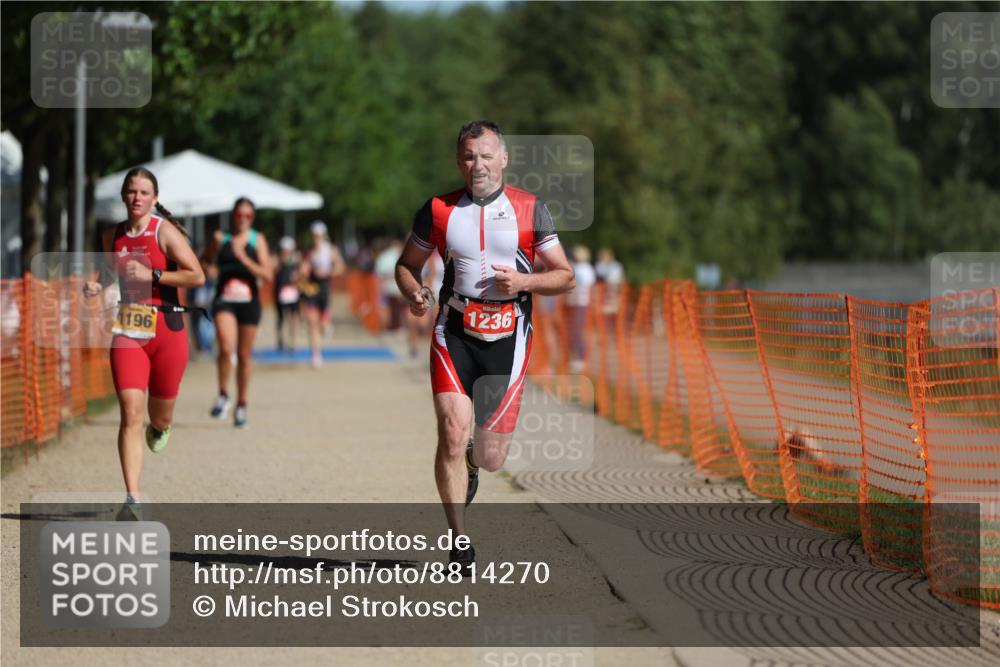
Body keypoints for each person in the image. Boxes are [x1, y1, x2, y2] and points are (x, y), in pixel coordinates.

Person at [395, 120, 575, 574]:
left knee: (493, 457)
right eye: (469, 156)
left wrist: (525, 281)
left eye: (487, 155)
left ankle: (474, 461)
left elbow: (564, 275)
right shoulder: (438, 210)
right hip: (453, 332)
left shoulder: (531, 209)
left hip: (509, 337)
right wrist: (414, 292)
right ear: (459, 161)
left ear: (504, 159)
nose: (478, 164)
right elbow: (406, 265)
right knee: (452, 431)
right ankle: (459, 544)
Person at [83, 167, 205, 520]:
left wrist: (154, 274)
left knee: (157, 415)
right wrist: (97, 284)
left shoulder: (163, 232)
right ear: (124, 196)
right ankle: (133, 498)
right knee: (129, 414)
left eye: (144, 192)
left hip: (167, 330)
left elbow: (197, 275)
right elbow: (110, 270)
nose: (137, 198)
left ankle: (162, 427)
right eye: (132, 191)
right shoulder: (112, 235)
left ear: (154, 198)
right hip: (128, 332)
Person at [202, 198, 273, 428]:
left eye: (248, 216)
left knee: (244, 355)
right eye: (239, 215)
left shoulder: (257, 240)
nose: (243, 220)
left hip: (249, 302)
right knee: (225, 346)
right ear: (233, 216)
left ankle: (242, 404)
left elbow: (267, 274)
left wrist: (243, 257)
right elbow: (203, 262)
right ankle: (223, 393)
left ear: (252, 219)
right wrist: (210, 265)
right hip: (225, 300)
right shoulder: (221, 239)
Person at [300, 221, 346, 368]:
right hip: (311, 288)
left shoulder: (331, 250)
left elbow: (341, 267)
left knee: (322, 325)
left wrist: (327, 272)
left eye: (319, 235)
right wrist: (303, 271)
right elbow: (303, 269)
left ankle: (326, 325)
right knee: (311, 322)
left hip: (324, 287)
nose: (316, 238)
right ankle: (316, 355)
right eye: (314, 235)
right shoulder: (309, 252)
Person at [566, 245, 596, 373]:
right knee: (573, 330)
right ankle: (575, 357)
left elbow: (586, 286)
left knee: (578, 331)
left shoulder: (586, 269)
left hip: (582, 303)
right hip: (574, 303)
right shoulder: (577, 267)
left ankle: (581, 358)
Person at [274, 236, 301, 353]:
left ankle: (292, 342)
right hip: (280, 292)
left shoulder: (296, 260)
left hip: (292, 292)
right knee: (281, 318)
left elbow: (301, 274)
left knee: (293, 318)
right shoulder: (277, 261)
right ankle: (280, 338)